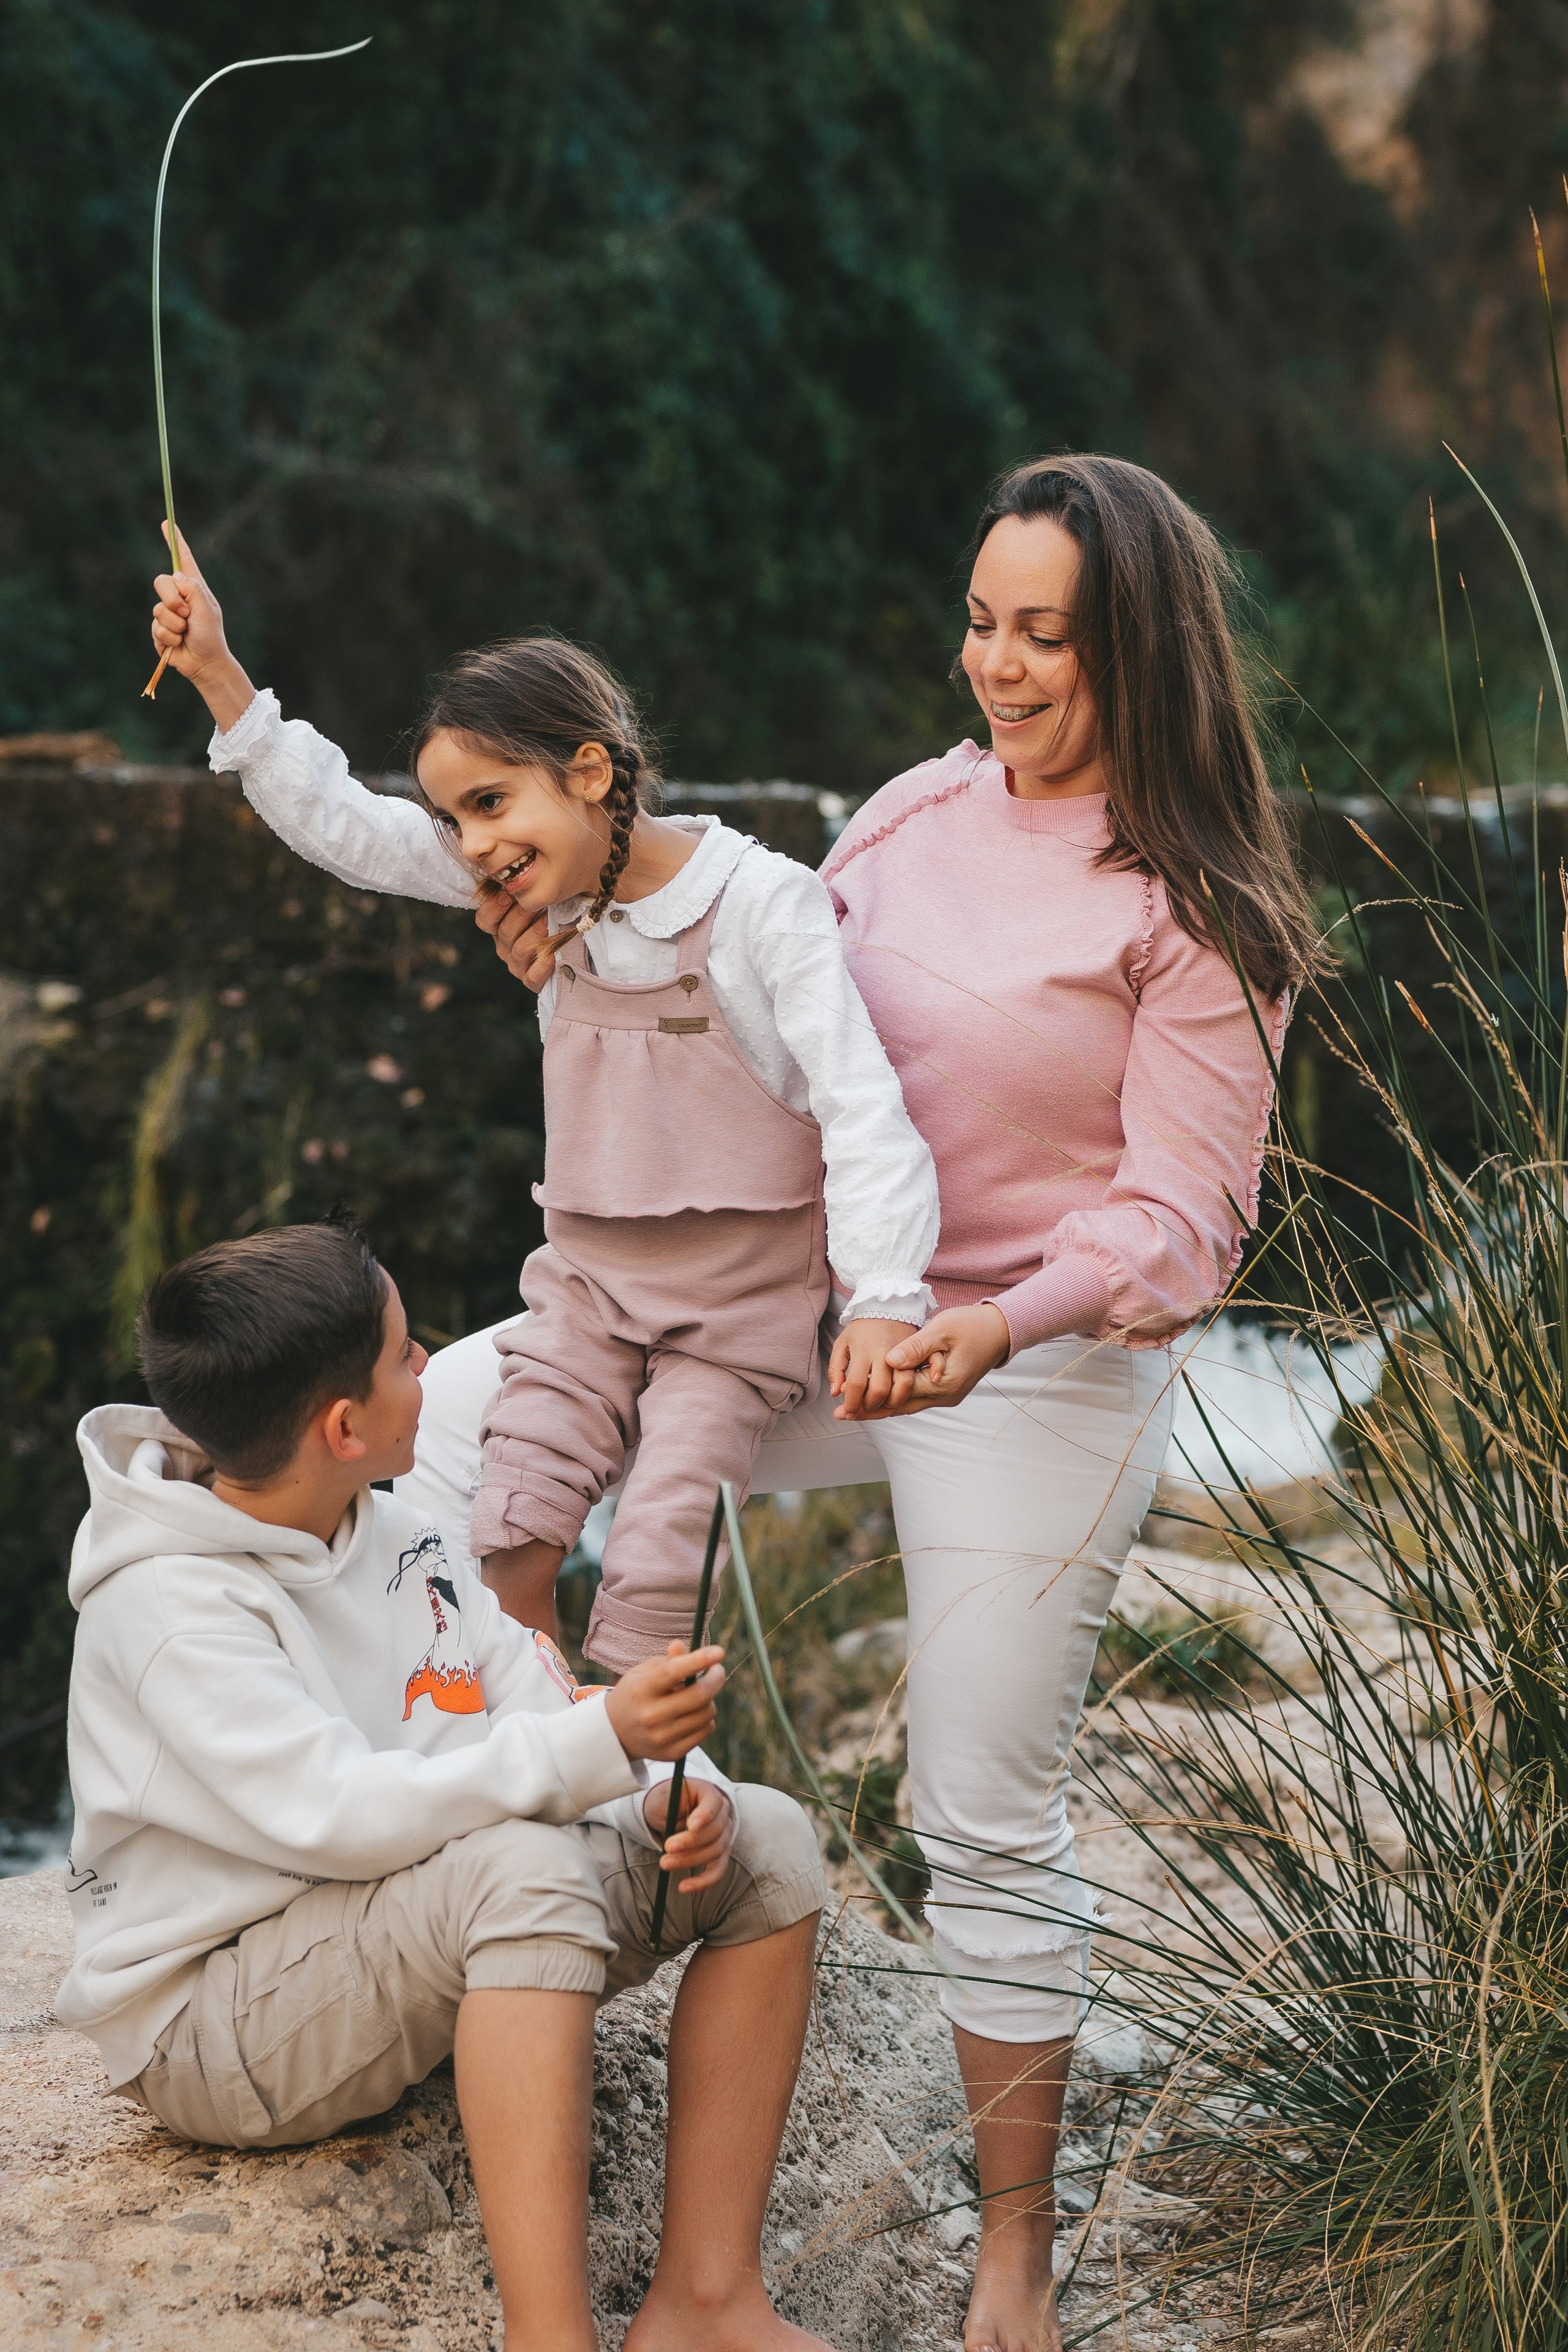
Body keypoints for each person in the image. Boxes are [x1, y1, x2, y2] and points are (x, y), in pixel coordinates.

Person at [468, 454, 1320, 2352]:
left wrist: (994, 1331)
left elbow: (1186, 1220)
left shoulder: (1200, 907)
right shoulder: (916, 810)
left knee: (979, 1804)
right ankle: (496, 1829)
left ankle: (1013, 2264)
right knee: (463, 1430)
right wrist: (580, 949)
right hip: (822, 1306)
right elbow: (776, 1024)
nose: (995, 667)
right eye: (982, 621)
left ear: (1143, 653)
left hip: (1046, 1363)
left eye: (1045, 638)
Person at [147, 549, 940, 1674]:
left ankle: (653, 1790)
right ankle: (536, 1760)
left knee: (665, 1561)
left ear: (589, 773)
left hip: (736, 1312)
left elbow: (865, 1109)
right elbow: (350, 832)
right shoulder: (545, 890)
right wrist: (223, 677)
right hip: (585, 1290)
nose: (472, 847)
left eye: (489, 805)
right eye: (452, 818)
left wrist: (887, 1302)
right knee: (511, 1522)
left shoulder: (763, 903)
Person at [56, 1217, 831, 2352]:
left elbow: (523, 1688)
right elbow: (343, 1816)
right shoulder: (169, 1610)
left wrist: (666, 1786)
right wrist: (593, 1748)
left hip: (392, 1936)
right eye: (405, 1353)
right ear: (343, 1425)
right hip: (218, 2021)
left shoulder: (394, 1523)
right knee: (513, 1868)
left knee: (767, 1842)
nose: (433, 1366)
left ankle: (706, 2304)